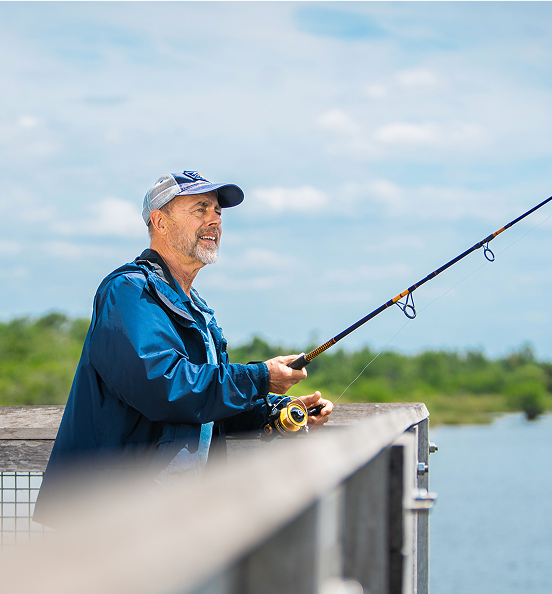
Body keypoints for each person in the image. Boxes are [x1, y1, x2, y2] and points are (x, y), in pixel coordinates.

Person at [33, 171, 332, 522]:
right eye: (200, 209)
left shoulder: (196, 309)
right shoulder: (129, 291)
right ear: (160, 222)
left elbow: (204, 405)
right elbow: (164, 387)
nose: (214, 220)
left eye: (217, 211)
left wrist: (276, 411)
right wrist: (259, 377)